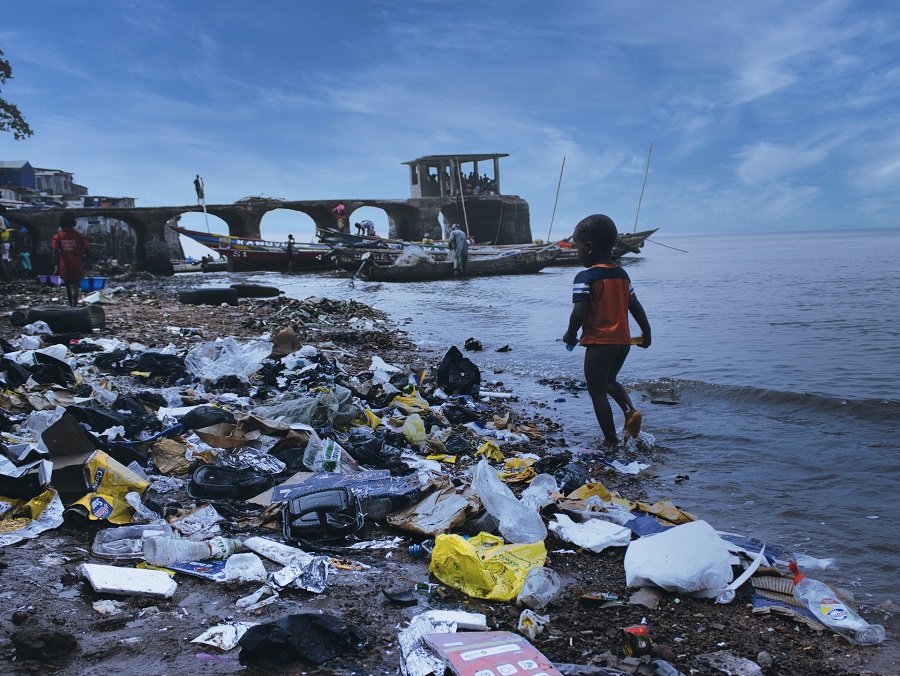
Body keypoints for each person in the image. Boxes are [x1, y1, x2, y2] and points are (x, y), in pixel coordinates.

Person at [562, 214, 652, 445]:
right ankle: (630, 411)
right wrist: (646, 332)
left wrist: (570, 334)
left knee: (597, 391)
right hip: (622, 342)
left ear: (589, 248)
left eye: (577, 247)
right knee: (610, 380)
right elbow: (635, 305)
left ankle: (610, 440)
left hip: (600, 343)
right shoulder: (622, 274)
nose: (577, 252)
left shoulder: (586, 277)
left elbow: (579, 312)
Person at [51, 211, 90, 307]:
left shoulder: (58, 236)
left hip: (64, 265)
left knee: (67, 286)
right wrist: (84, 260)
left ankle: (70, 305)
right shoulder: (79, 236)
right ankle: (74, 305)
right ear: (74, 223)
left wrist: (56, 265)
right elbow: (87, 250)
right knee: (76, 286)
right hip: (77, 265)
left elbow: (55, 251)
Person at [0, 205, 11, 282]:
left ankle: (6, 280)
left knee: (2, 262)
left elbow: (2, 228)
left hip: (1, 242)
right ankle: (8, 279)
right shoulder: (5, 219)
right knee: (5, 261)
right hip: (5, 241)